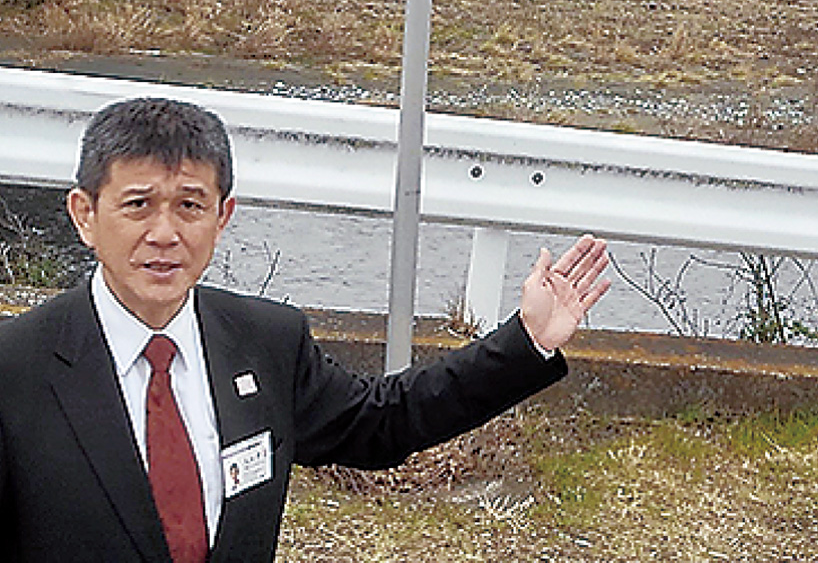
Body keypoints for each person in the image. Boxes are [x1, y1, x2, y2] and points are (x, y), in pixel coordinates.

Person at [0, 96, 610, 563]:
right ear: (85, 214)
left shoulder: (263, 341)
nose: (165, 233)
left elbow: (384, 421)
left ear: (222, 217)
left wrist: (526, 341)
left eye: (189, 205)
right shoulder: (17, 367)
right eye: (138, 205)